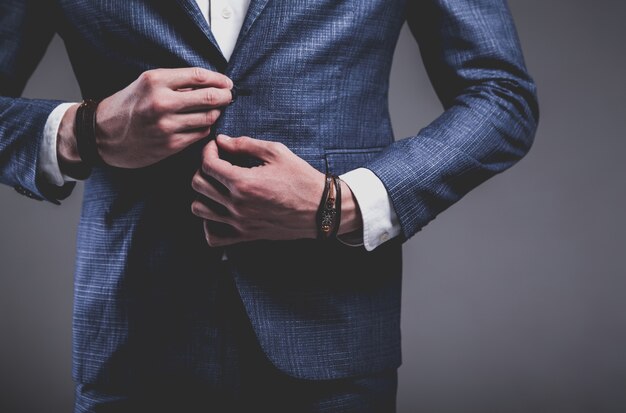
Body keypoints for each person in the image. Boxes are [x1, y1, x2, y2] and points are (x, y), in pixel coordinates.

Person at [0, 0, 538, 411]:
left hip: (332, 339)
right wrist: (82, 130)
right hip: (135, 336)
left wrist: (345, 201)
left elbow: (500, 94)